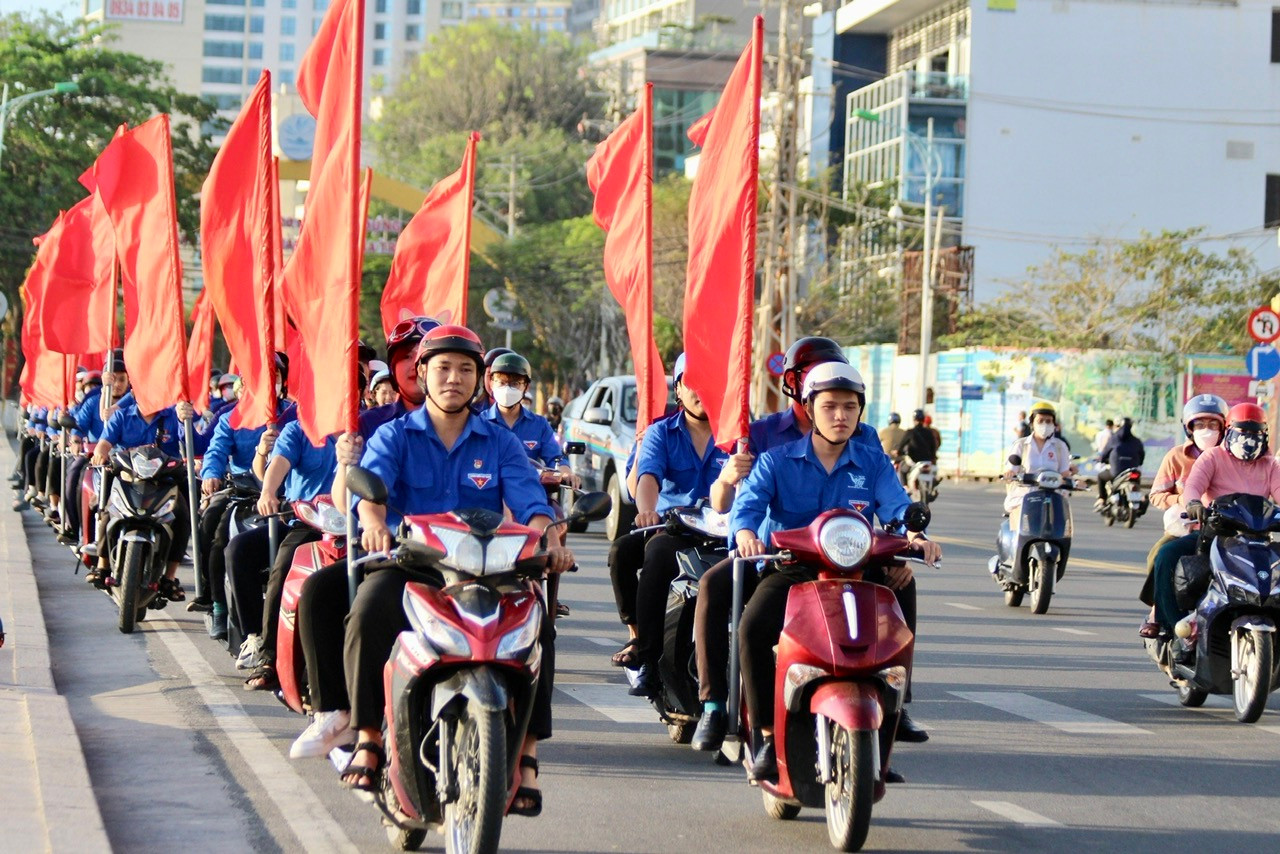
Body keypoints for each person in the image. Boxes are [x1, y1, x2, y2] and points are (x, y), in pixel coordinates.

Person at [326, 326, 569, 817]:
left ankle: (526, 757)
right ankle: (370, 736)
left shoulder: (500, 443)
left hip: (486, 570)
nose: (453, 378)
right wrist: (374, 524)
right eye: (443, 368)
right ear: (421, 374)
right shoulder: (395, 434)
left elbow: (531, 502)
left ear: (479, 379)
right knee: (368, 612)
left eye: (465, 369)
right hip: (412, 564)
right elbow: (370, 494)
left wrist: (549, 537)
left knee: (537, 623)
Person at [696, 349, 926, 752]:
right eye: (830, 406)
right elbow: (745, 509)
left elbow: (897, 507)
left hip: (855, 568)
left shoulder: (872, 462)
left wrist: (915, 535)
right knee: (751, 626)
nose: (841, 416)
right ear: (809, 407)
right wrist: (747, 533)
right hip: (792, 568)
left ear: (860, 412)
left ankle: (894, 708)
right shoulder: (775, 460)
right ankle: (761, 733)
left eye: (850, 407)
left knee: (902, 584)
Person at [617, 353, 729, 699]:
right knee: (635, 552)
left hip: (729, 533)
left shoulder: (739, 435)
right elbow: (648, 475)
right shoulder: (660, 432)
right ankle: (645, 652)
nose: (701, 392)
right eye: (691, 384)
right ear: (678, 390)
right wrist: (647, 511)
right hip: (674, 528)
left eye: (710, 383)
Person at [1151, 403, 1280, 639]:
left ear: (1265, 435)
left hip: (1258, 541)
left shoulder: (1270, 464)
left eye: (1255, 433)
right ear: (1229, 431)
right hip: (1215, 536)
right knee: (1166, 555)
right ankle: (1172, 628)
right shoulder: (1213, 456)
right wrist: (1193, 504)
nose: (1249, 439)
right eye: (1242, 432)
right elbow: (1194, 486)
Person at [238, 417, 339, 690]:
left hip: (358, 528)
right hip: (308, 523)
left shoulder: (369, 428)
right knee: (283, 570)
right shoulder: (298, 430)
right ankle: (269, 655)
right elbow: (279, 462)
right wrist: (268, 491)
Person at [87, 383, 198, 599]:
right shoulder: (121, 417)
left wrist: (188, 420)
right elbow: (104, 444)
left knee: (184, 517)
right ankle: (102, 565)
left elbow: (196, 444)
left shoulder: (173, 416)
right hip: (127, 479)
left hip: (165, 482)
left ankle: (169, 578)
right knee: (105, 511)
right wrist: (100, 454)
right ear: (135, 392)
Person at [1136, 394, 1228, 639]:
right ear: (1189, 428)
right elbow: (1156, 495)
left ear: (1223, 427)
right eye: (1200, 425)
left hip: (1224, 530)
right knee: (1159, 556)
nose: (1206, 430)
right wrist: (1183, 500)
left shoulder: (1230, 457)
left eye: (1212, 425)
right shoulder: (1176, 456)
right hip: (1185, 529)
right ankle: (1160, 614)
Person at [483, 352, 578, 486]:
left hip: (529, 495)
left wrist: (566, 472)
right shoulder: (479, 423)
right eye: (502, 382)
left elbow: (556, 457)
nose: (507, 389)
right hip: (488, 497)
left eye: (515, 383)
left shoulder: (539, 424)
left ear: (526, 387)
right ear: (491, 383)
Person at [1003, 401, 1073, 513]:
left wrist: (1071, 481)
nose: (1044, 425)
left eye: (1048, 421)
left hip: (1053, 499)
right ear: (1032, 423)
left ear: (1054, 424)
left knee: (1062, 526)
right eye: (1040, 421)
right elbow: (1011, 469)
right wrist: (1009, 474)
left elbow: (1064, 473)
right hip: (1023, 499)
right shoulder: (1021, 445)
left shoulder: (1060, 446)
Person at [1095, 417, 1145, 508]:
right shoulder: (1137, 441)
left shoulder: (1113, 439)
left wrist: (1101, 460)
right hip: (1133, 472)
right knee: (1137, 482)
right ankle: (1140, 500)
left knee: (1100, 476)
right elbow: (1142, 455)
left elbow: (1104, 453)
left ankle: (1102, 499)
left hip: (1116, 472)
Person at [895, 409, 939, 473]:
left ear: (914, 419)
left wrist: (898, 451)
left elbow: (902, 445)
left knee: (902, 469)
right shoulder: (930, 432)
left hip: (914, 462)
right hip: (928, 461)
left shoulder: (910, 432)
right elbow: (934, 446)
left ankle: (905, 483)